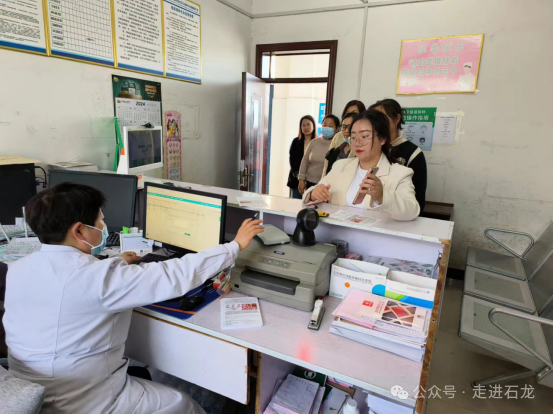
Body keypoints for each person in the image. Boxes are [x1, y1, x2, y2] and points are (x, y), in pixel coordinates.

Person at [4, 183, 264, 414]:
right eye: (100, 221)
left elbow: (75, 281)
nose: (104, 226)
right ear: (79, 231)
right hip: (84, 401)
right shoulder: (99, 278)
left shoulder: (18, 268)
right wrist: (234, 246)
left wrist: (116, 263)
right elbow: (174, 274)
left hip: (28, 390)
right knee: (183, 403)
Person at [304, 110, 420, 221]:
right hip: (337, 232)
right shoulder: (340, 166)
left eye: (364, 136)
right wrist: (314, 194)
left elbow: (412, 210)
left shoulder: (400, 173)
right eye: (353, 137)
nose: (357, 143)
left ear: (382, 139)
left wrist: (382, 195)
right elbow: (313, 192)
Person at [369, 99, 427, 213]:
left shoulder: (413, 153)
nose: (378, 123)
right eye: (374, 119)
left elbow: (418, 197)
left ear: (397, 119)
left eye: (382, 117)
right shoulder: (369, 149)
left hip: (399, 214)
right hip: (368, 212)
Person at [298, 114, 340, 194]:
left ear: (337, 128)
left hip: (328, 185)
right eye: (325, 125)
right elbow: (305, 161)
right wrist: (301, 180)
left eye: (330, 126)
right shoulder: (314, 142)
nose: (327, 127)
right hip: (310, 183)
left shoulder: (338, 146)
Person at [288, 115, 316, 199]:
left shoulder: (317, 142)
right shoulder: (296, 141)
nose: (306, 127)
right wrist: (301, 178)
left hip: (313, 180)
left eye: (308, 125)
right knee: (295, 203)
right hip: (296, 179)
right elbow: (292, 160)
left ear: (314, 126)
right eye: (303, 125)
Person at [322, 112, 357, 177]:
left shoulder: (360, 150)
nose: (346, 131)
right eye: (344, 127)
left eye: (350, 127)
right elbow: (327, 166)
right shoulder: (338, 141)